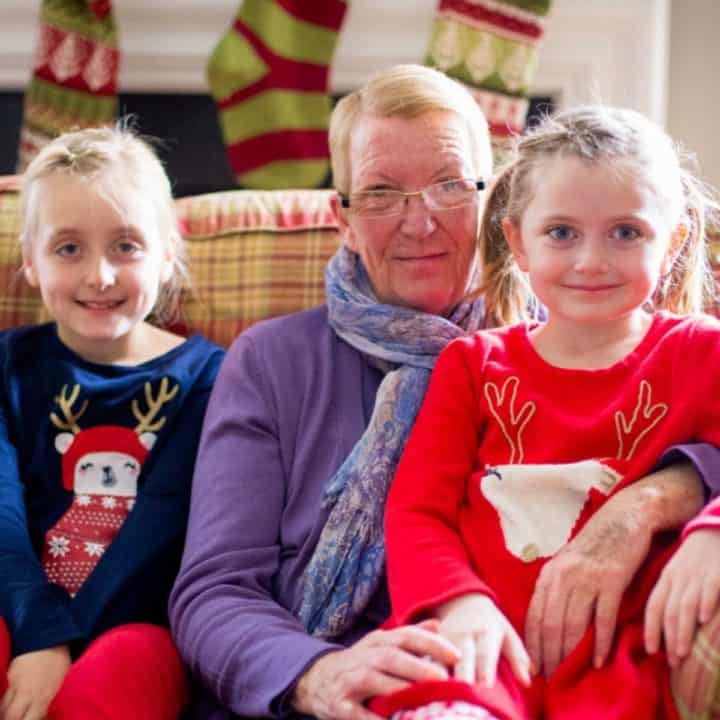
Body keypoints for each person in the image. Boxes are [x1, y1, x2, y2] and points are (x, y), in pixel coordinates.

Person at [169, 66, 715, 720]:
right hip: (364, 676)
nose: (419, 222)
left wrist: (662, 496)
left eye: (449, 185)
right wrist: (317, 673)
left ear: (494, 205)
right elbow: (214, 591)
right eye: (380, 192)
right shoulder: (274, 361)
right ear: (341, 218)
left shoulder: (586, 325)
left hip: (562, 669)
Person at [375, 105, 720, 720]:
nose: (591, 260)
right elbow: (416, 510)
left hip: (623, 658)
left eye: (626, 233)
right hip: (484, 647)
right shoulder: (474, 365)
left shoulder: (699, 351)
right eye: (562, 233)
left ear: (672, 243)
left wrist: (710, 530)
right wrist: (459, 605)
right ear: (518, 243)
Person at [0, 126, 225, 720]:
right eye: (68, 248)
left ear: (166, 252)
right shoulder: (7, 367)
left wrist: (63, 647)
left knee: (119, 675)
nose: (99, 276)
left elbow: (160, 523)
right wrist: (37, 633)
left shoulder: (212, 379)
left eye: (125, 246)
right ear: (30, 260)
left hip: (139, 624)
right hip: (17, 607)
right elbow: (2, 511)